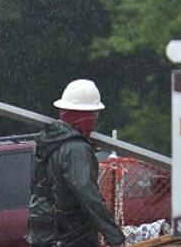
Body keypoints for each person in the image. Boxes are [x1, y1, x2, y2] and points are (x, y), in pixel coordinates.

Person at [27, 79, 126, 247]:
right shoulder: (76, 149)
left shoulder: (46, 142)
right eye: (94, 114)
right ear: (86, 117)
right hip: (69, 235)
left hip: (43, 234)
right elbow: (89, 197)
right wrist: (115, 237)